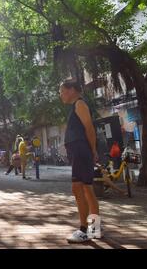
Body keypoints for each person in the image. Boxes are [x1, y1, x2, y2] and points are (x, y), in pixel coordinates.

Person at [60, 79, 100, 243]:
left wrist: (92, 150)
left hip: (81, 151)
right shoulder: (77, 106)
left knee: (78, 188)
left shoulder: (80, 104)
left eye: (61, 91)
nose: (60, 95)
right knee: (86, 190)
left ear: (71, 90)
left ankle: (84, 230)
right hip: (80, 152)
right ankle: (95, 229)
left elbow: (89, 128)